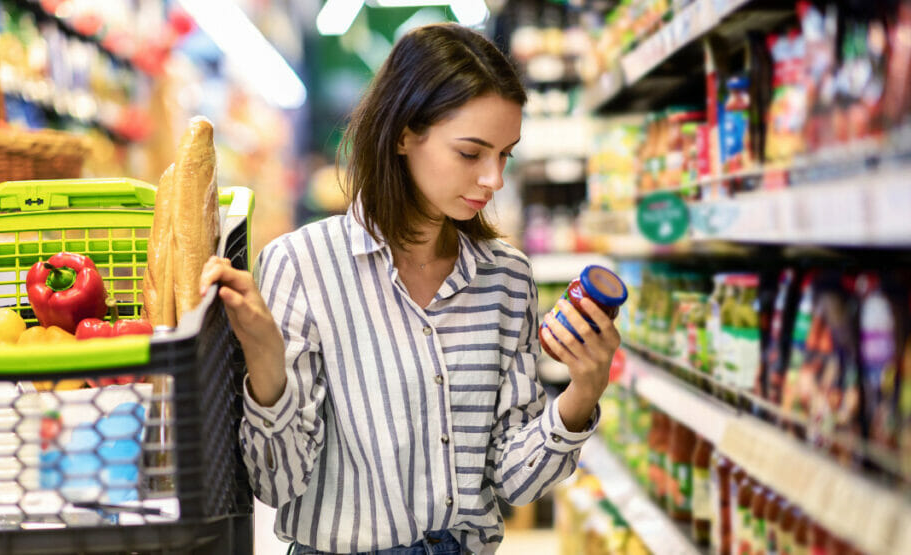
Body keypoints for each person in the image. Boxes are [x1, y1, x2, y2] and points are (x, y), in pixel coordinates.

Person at [199, 22, 620, 555]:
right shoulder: (300, 266)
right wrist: (266, 364)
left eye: (505, 154)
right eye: (471, 153)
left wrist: (582, 393)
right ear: (403, 134)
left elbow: (517, 482)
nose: (494, 179)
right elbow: (276, 484)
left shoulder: (506, 278)